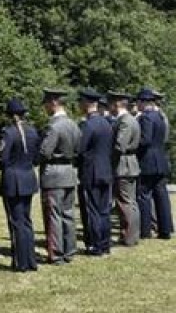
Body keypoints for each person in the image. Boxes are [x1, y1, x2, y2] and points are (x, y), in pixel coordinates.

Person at [38, 88, 81, 265]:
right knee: (68, 214)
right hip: (69, 172)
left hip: (54, 173)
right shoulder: (74, 124)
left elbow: (45, 151)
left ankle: (56, 252)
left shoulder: (53, 126)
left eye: (47, 104)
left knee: (53, 215)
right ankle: (70, 250)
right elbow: (79, 149)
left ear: (54, 103)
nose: (45, 108)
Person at [0, 99, 41, 272]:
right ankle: (30, 259)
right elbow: (37, 157)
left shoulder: (8, 133)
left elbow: (3, 158)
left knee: (16, 222)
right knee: (26, 220)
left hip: (13, 180)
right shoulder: (33, 132)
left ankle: (21, 261)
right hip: (28, 177)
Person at [76, 88, 115, 256]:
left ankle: (95, 244)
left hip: (91, 171)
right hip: (106, 170)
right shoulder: (107, 123)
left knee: (92, 209)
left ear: (86, 103)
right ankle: (105, 243)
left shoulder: (88, 125)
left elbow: (80, 149)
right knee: (104, 210)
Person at [136, 88, 173, 239]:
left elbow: (145, 140)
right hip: (161, 160)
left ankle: (145, 230)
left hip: (148, 161)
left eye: (138, 102)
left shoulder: (146, 118)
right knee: (161, 195)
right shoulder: (159, 116)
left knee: (144, 195)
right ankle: (165, 229)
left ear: (143, 102)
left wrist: (134, 147)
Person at [108, 91, 141, 246]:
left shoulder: (125, 121)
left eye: (111, 105)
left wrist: (109, 159)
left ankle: (128, 235)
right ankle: (132, 234)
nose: (110, 108)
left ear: (117, 104)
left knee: (125, 202)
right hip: (130, 164)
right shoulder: (131, 119)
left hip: (123, 165)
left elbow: (119, 146)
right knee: (130, 201)